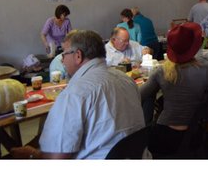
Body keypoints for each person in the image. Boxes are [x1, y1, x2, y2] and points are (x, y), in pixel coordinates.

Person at [37, 29, 143, 159]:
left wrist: (31, 155)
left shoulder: (75, 93)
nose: (62, 61)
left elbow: (56, 157)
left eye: (64, 54)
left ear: (78, 56)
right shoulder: (126, 79)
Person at [139, 21, 208, 159]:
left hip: (163, 135)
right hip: (193, 134)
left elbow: (139, 96)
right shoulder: (204, 72)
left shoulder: (161, 71)